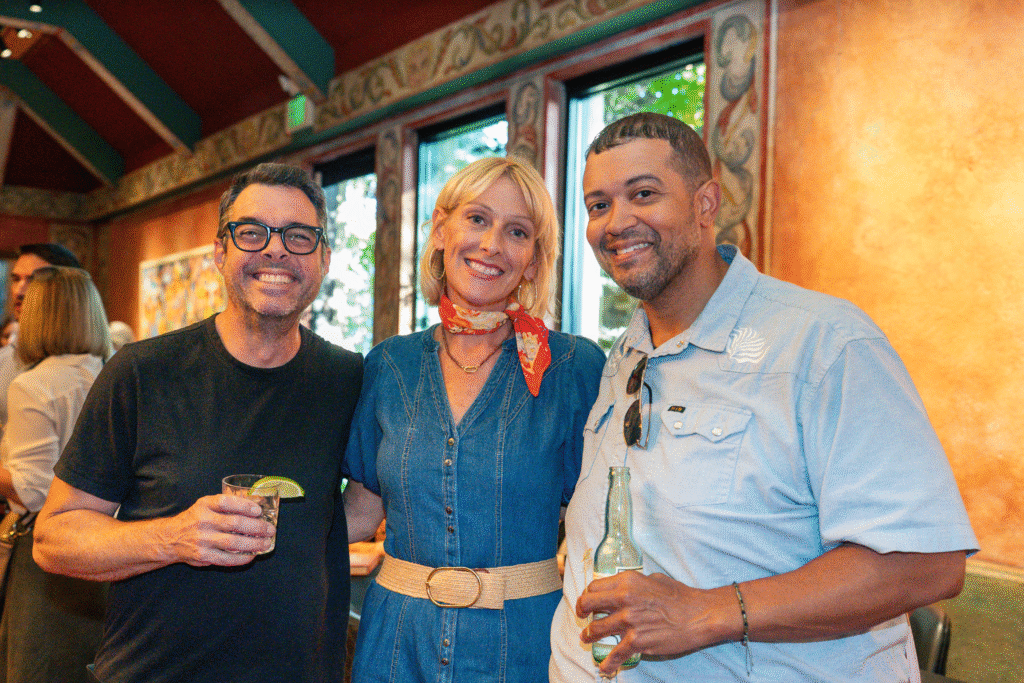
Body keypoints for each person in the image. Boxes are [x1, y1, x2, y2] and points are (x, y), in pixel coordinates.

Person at [549, 112, 978, 682]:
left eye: (644, 194)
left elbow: (926, 564)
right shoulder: (624, 354)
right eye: (598, 205)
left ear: (706, 204)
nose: (617, 222)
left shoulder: (824, 343)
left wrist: (708, 611)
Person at [32, 163, 364, 683]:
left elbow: (356, 512)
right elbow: (53, 538)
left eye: (299, 237)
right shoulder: (141, 373)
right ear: (219, 252)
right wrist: (174, 536)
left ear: (323, 259)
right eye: (252, 232)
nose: (276, 249)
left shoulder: (348, 380)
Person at [343, 157, 605, 682]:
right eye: (477, 219)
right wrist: (258, 537)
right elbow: (362, 513)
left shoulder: (574, 368)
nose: (491, 245)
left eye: (517, 232)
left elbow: (597, 525)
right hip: (395, 647)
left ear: (533, 260)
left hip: (525, 646)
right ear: (442, 228)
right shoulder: (389, 365)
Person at [0, 266, 111, 683]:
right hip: (111, 545)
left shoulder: (34, 385)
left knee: (41, 668)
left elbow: (32, 488)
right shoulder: (112, 373)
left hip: (47, 551)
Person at [0, 244, 82, 438]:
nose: (20, 291)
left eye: (33, 280)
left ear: (66, 287)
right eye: (16, 279)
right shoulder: (4, 360)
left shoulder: (89, 360)